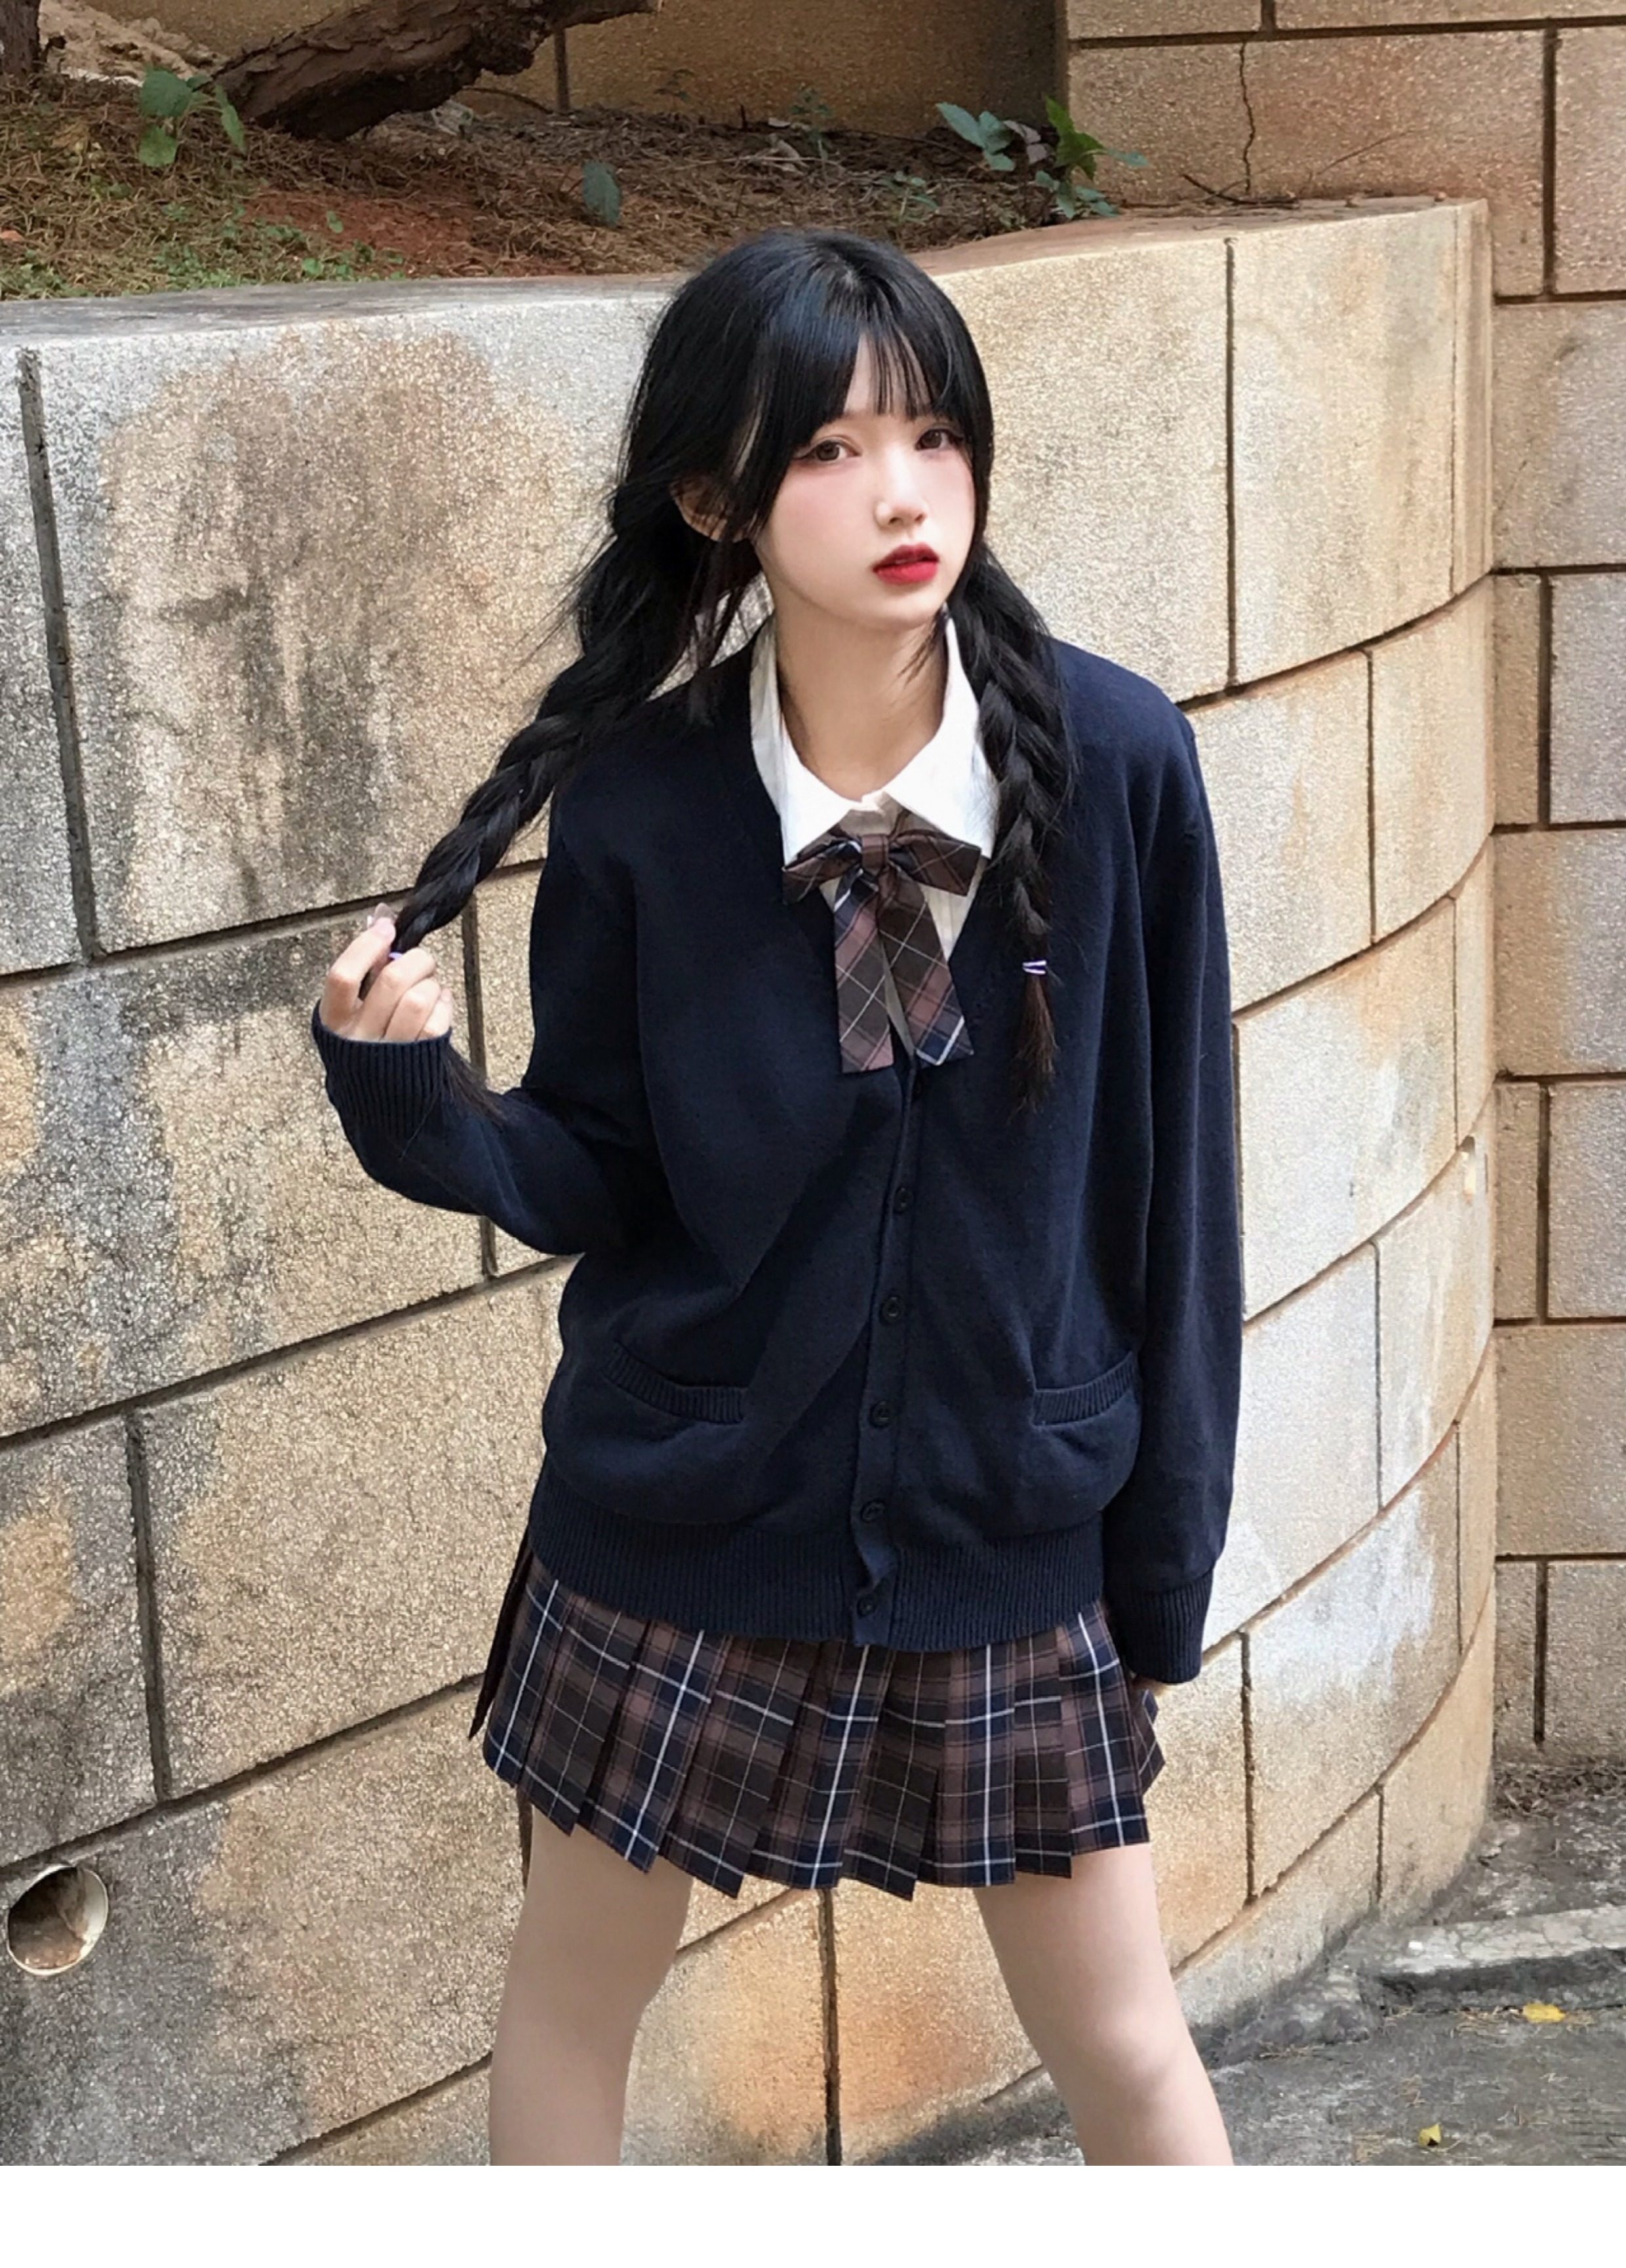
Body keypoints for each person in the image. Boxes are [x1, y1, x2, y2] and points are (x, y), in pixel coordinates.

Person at [311, 225, 1242, 2168]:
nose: (902, 494)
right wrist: (414, 1101)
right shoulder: (648, 805)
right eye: (828, 450)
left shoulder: (1118, 764)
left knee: (1128, 2043)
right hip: (680, 1523)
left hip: (1007, 1526)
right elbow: (596, 1165)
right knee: (572, 2000)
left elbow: (1177, 1200)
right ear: (714, 500)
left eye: (933, 435)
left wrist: (1158, 1571)